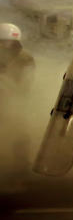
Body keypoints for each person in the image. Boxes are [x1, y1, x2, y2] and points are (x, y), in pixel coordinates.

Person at [0, 23, 36, 183]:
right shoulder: (24, 57)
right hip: (9, 99)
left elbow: (25, 83)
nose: (6, 45)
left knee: (19, 133)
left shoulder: (24, 58)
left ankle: (20, 170)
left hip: (14, 100)